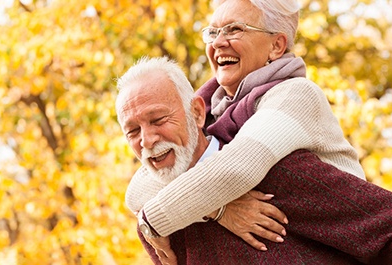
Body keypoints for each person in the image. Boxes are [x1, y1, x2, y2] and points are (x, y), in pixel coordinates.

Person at [115, 56, 392, 264]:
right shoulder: (156, 227)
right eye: (132, 131)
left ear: (197, 112)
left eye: (158, 119)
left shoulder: (279, 172)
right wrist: (218, 209)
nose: (147, 140)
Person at [124, 0, 366, 256]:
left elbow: (237, 169)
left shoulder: (297, 95)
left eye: (234, 29)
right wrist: (220, 209)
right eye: (213, 32)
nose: (218, 43)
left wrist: (152, 221)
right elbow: (139, 189)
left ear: (276, 45)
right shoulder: (207, 110)